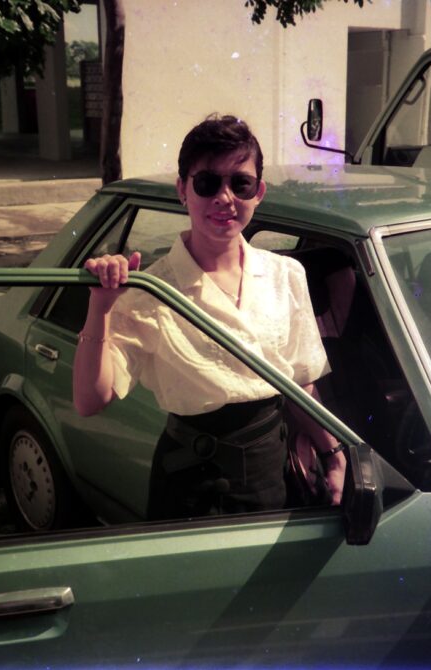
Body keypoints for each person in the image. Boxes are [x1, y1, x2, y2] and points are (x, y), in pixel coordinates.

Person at [72, 114, 346, 520]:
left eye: (240, 183)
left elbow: (300, 381)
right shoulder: (152, 289)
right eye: (207, 183)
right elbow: (89, 400)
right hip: (189, 482)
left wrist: (333, 453)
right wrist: (100, 306)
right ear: (182, 190)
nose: (224, 197)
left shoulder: (285, 275)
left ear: (259, 192)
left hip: (269, 474)